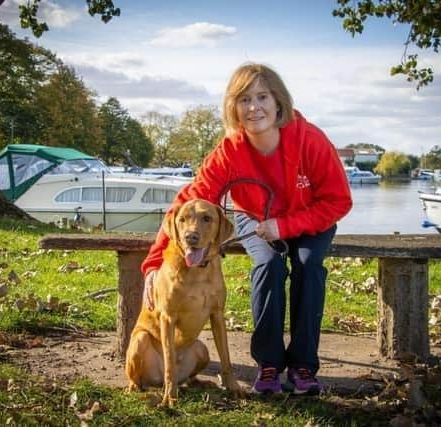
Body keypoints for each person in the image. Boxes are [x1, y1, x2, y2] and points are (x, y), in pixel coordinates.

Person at [141, 62, 352, 395]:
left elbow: (338, 201)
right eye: (244, 100)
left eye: (262, 97)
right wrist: (153, 264)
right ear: (234, 108)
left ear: (278, 101)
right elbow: (186, 204)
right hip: (254, 217)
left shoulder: (310, 140)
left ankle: (302, 367)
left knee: (308, 266)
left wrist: (285, 225)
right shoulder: (230, 150)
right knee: (267, 265)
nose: (254, 107)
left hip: (312, 217)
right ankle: (268, 365)